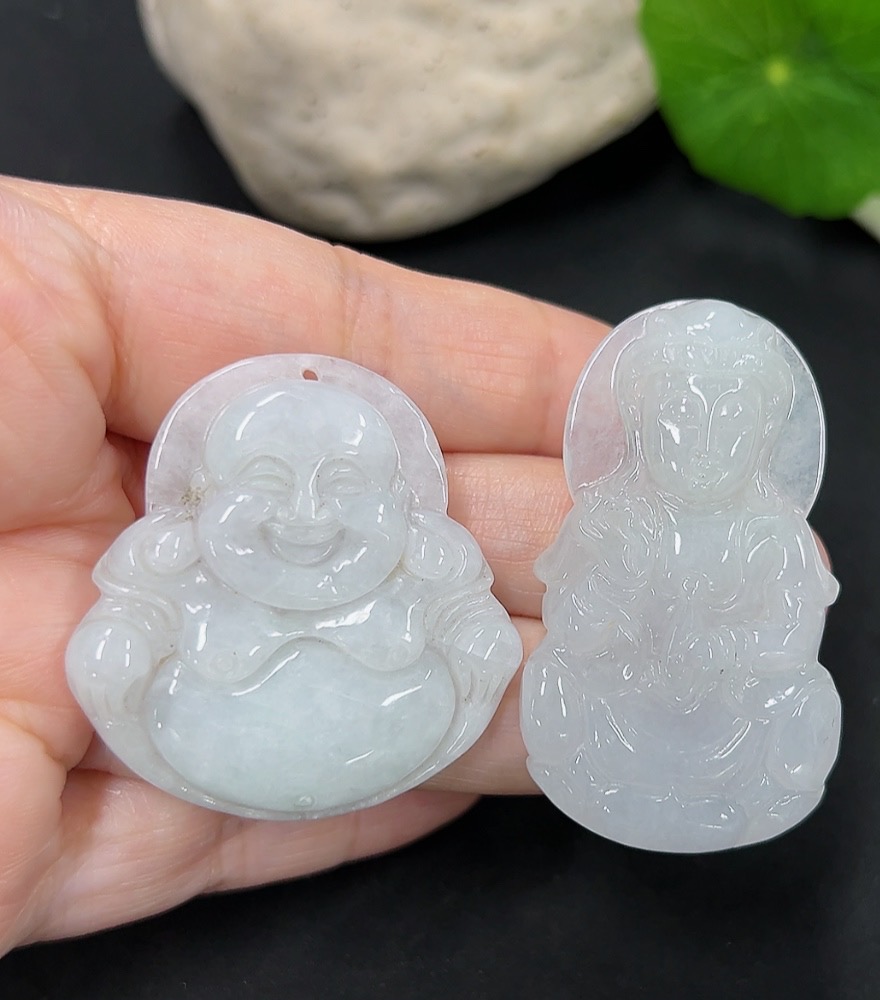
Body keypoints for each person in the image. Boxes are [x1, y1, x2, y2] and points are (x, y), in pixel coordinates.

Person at [0, 175, 608, 953]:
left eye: (346, 485)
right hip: (205, 740)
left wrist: (478, 647)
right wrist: (114, 654)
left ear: (400, 500)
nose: (307, 517)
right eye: (264, 482)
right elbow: (129, 624)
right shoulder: (174, 564)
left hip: (396, 735)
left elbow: (469, 624)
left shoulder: (424, 562)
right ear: (203, 494)